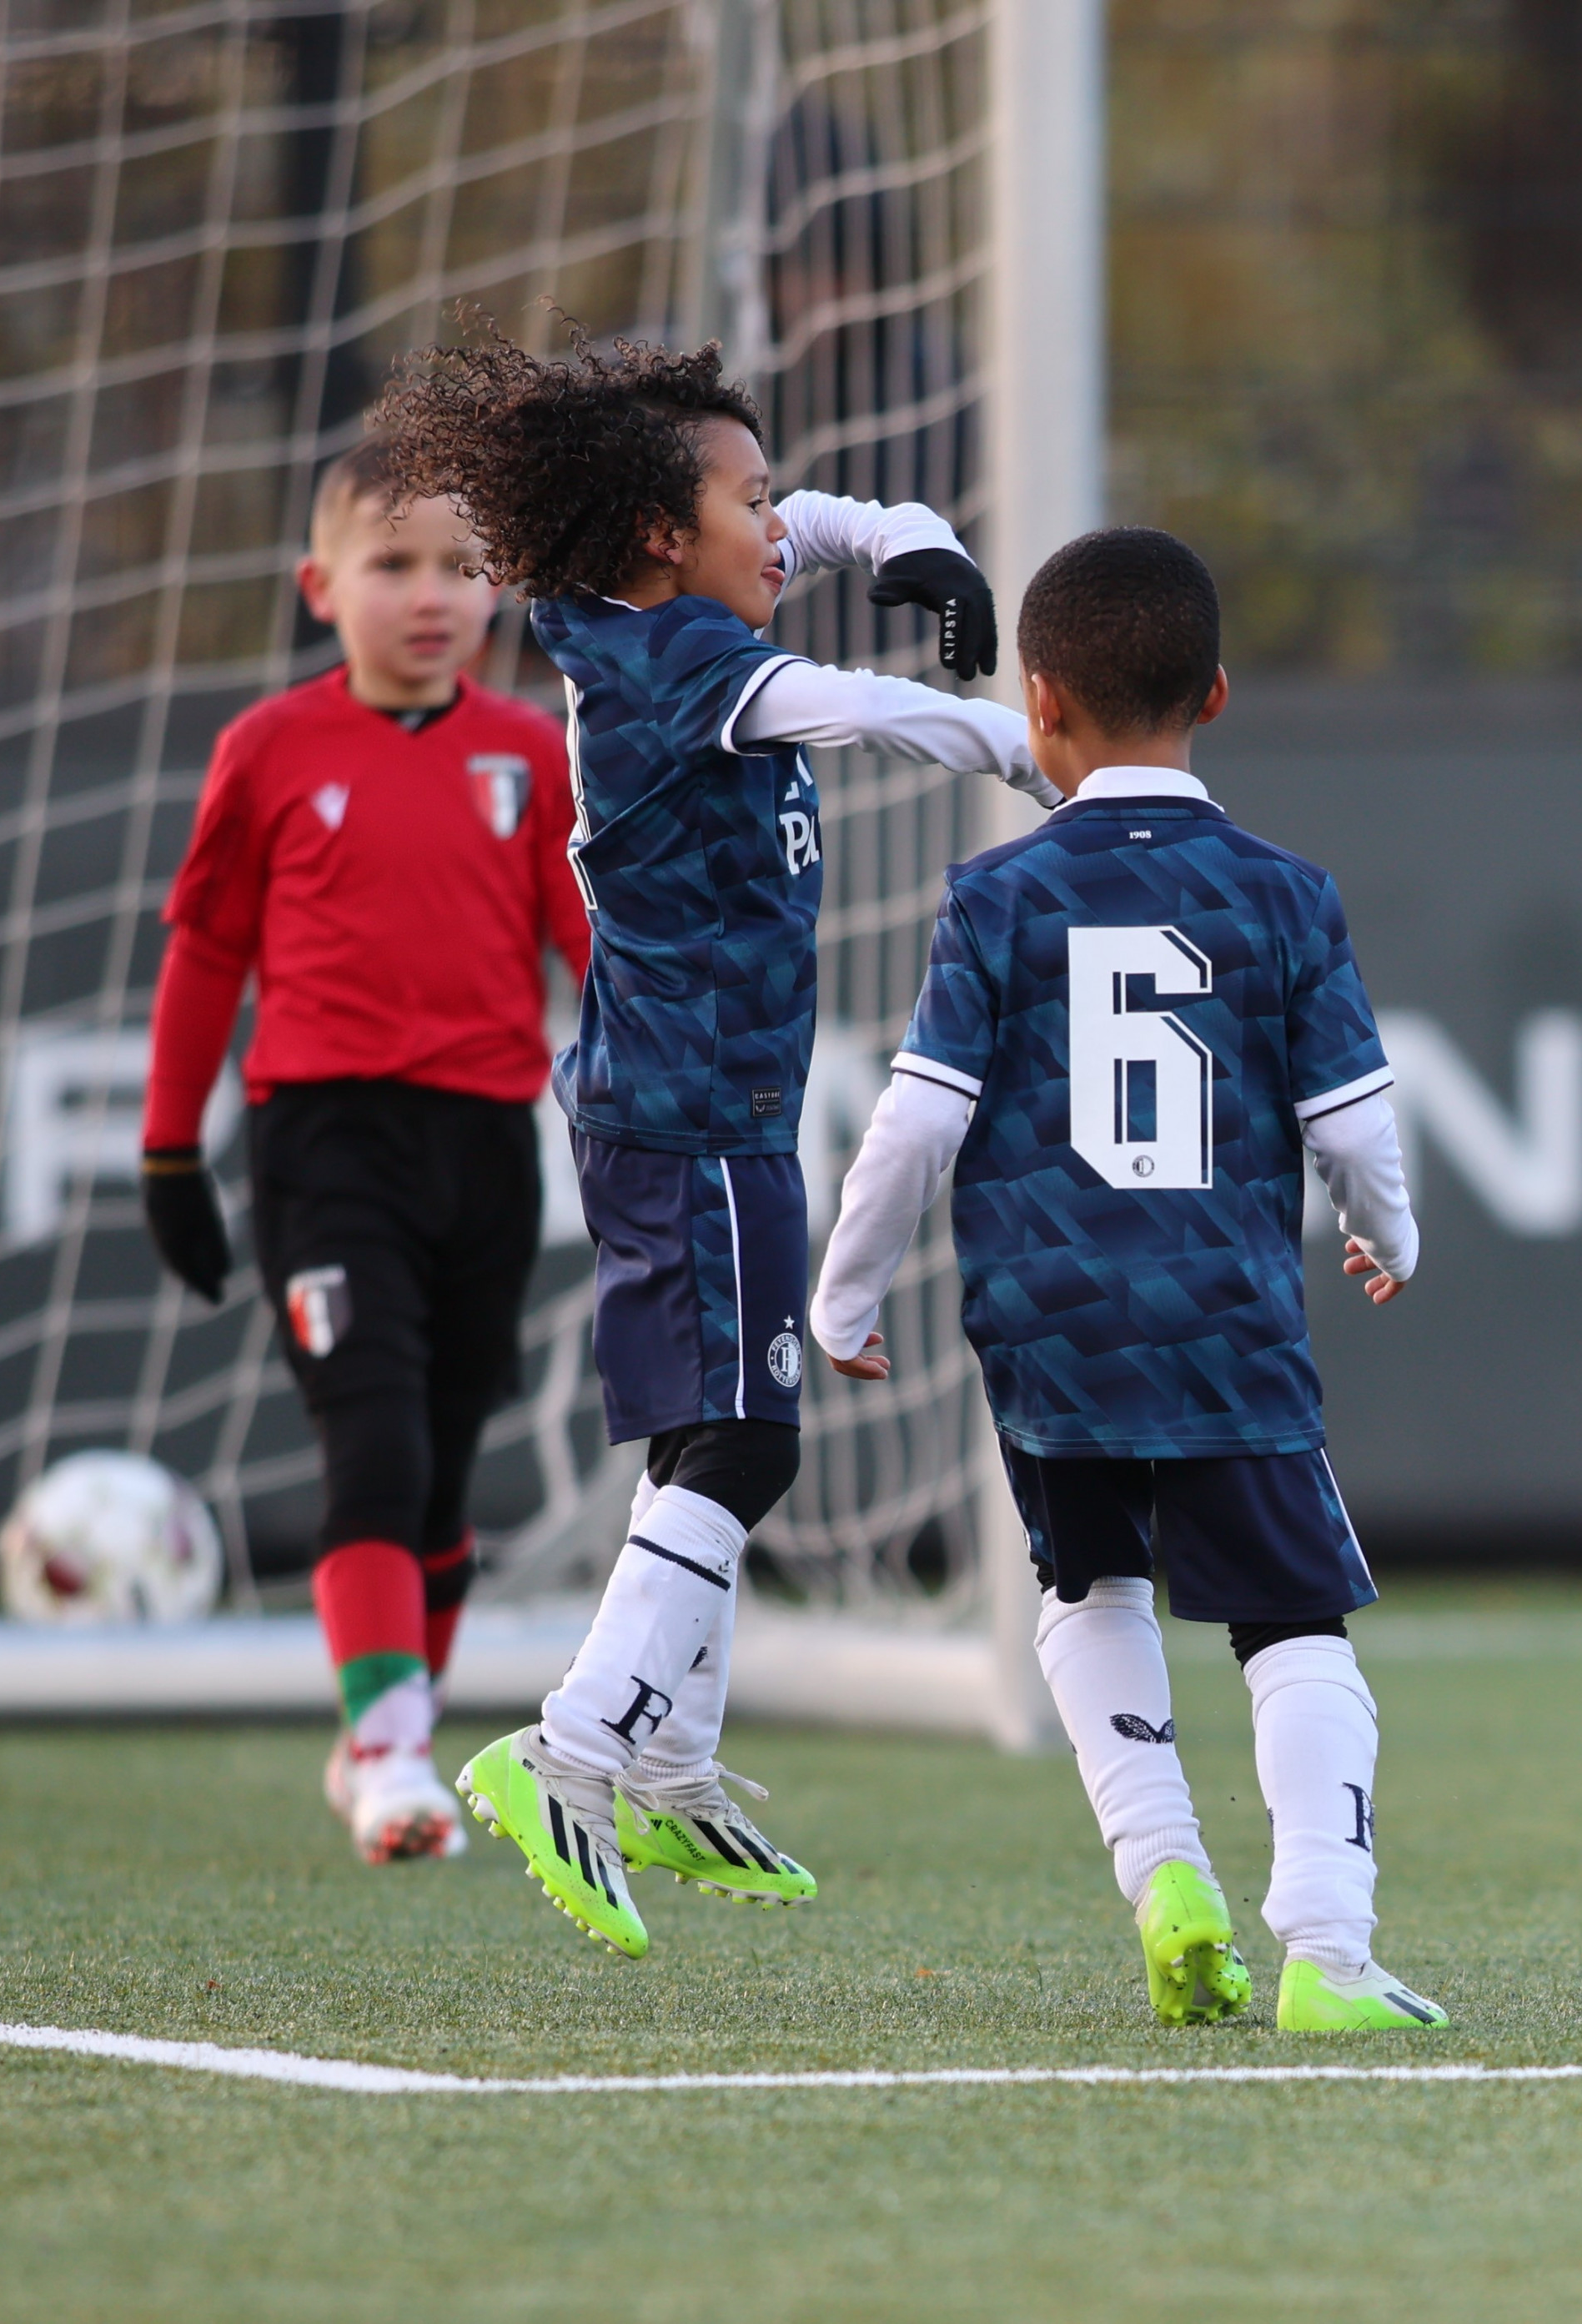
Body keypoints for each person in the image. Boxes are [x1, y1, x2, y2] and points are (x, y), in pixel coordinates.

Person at [362, 325, 1057, 1958]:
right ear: (667, 535)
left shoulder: (633, 606)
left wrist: (911, 542)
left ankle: (669, 1757)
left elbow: (813, 528)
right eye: (748, 499)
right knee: (748, 1448)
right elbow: (872, 709)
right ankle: (576, 1749)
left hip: (680, 1099)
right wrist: (1045, 751)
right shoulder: (680, 667)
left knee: (712, 1435)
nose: (781, 525)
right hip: (697, 1109)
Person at [811, 527, 1442, 2033]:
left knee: (1088, 1588)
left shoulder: (996, 893)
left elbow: (916, 1121)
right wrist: (1391, 1236)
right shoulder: (1284, 894)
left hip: (1047, 1329)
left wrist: (845, 1295)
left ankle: (1167, 1878)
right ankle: (1333, 1959)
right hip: (1223, 1325)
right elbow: (1354, 1121)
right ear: (1216, 693)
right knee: (1293, 1627)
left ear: (1039, 707)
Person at [142, 440, 586, 1865]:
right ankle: (397, 1751)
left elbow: (592, 954)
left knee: (448, 1462)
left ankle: (379, 1733)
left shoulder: (529, 753)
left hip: (488, 1145)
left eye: (461, 567)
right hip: (325, 1140)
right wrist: (168, 1149)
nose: (430, 596)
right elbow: (209, 948)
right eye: (393, 564)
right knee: (375, 1439)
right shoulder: (270, 749)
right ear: (319, 584)